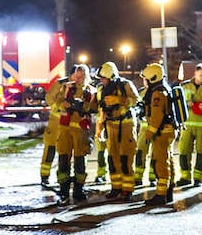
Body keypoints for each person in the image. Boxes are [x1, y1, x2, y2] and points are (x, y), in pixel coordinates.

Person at [51, 64, 98, 203]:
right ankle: (64, 190)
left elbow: (95, 107)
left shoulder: (91, 91)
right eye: (76, 76)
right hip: (65, 129)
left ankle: (79, 190)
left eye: (82, 76)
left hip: (80, 131)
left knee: (80, 161)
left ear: (86, 77)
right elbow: (57, 103)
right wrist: (63, 106)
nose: (78, 79)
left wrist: (82, 106)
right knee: (63, 159)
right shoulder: (66, 88)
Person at [96, 61, 140, 200]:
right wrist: (100, 127)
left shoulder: (125, 85)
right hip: (110, 125)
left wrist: (120, 100)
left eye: (104, 78)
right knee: (112, 158)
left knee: (125, 157)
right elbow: (101, 109)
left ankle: (127, 189)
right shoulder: (101, 89)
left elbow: (136, 100)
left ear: (111, 76)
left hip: (125, 124)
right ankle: (116, 187)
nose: (102, 81)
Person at [140, 63, 177, 205]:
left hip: (162, 133)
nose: (144, 81)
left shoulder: (157, 93)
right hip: (167, 131)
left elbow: (157, 117)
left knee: (161, 163)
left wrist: (149, 134)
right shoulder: (163, 89)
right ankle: (168, 191)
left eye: (146, 78)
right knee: (168, 160)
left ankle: (161, 195)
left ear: (152, 78)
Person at [40, 75, 68, 188]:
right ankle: (44, 176)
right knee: (50, 150)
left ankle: (62, 177)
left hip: (66, 125)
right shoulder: (60, 84)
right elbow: (49, 98)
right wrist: (58, 107)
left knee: (64, 153)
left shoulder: (78, 86)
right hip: (55, 124)